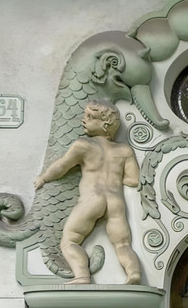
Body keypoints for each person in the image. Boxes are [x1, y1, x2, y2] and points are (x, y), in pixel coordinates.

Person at [34, 99, 141, 285]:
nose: (84, 120)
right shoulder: (124, 150)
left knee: (69, 241)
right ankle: (133, 273)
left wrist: (43, 178)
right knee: (123, 244)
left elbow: (61, 166)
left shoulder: (83, 145)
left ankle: (82, 276)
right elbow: (133, 179)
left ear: (105, 125)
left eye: (90, 117)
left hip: (92, 199)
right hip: (115, 202)